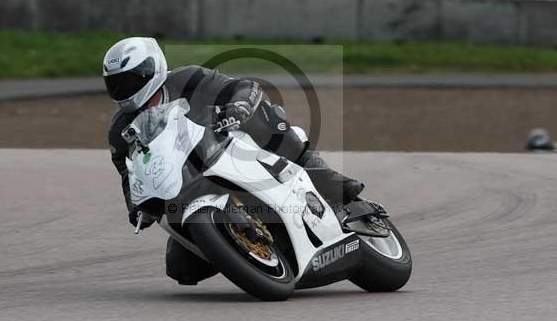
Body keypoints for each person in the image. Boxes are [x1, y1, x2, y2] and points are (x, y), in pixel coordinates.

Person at [104, 36, 365, 284]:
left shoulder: (189, 79)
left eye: (129, 80)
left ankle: (330, 181)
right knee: (180, 268)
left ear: (152, 70)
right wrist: (135, 207)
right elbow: (128, 174)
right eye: (115, 84)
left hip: (229, 147)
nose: (123, 89)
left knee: (265, 119)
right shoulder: (120, 133)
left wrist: (238, 106)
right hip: (186, 189)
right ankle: (239, 249)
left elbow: (242, 88)